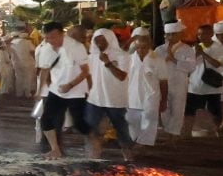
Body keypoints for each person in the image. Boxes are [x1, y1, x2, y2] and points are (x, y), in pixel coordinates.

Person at [37, 21, 92, 158]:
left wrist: (70, 85)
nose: (51, 40)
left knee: (79, 124)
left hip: (76, 91)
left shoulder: (76, 47)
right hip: (56, 90)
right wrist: (39, 89)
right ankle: (55, 149)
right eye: (48, 37)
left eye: (54, 37)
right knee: (46, 120)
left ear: (62, 34)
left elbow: (85, 71)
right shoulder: (46, 48)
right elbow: (44, 69)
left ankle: (94, 138)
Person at [84, 28, 134, 160]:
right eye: (97, 39)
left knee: (121, 129)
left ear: (110, 39)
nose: (99, 42)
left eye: (102, 39)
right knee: (90, 128)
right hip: (95, 99)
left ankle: (127, 155)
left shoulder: (123, 56)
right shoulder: (90, 57)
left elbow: (122, 76)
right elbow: (87, 76)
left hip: (115, 100)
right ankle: (94, 154)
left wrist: (108, 63)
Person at [183, 23, 223, 137]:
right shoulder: (194, 48)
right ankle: (188, 131)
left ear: (211, 34)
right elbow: (188, 67)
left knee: (215, 110)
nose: (201, 37)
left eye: (204, 34)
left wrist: (203, 54)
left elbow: (217, 64)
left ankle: (216, 130)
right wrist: (195, 55)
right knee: (190, 110)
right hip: (195, 85)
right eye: (199, 34)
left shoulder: (220, 48)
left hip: (212, 85)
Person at [126, 27, 164, 147]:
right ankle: (133, 141)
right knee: (131, 121)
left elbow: (164, 82)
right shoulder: (129, 60)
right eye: (138, 47)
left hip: (151, 95)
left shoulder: (158, 60)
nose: (141, 50)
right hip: (132, 96)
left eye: (144, 47)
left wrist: (163, 100)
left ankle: (143, 144)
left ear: (149, 45)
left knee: (149, 120)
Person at [157, 21, 195, 136]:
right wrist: (165, 60)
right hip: (163, 84)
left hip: (179, 84)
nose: (170, 37)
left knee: (178, 109)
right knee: (164, 109)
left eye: (173, 34)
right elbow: (153, 66)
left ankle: (174, 134)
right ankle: (168, 132)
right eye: (168, 34)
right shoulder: (159, 50)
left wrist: (173, 59)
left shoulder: (187, 49)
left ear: (180, 35)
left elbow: (191, 67)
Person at [9, 30, 38, 98]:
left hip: (16, 64)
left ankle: (19, 93)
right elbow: (32, 51)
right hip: (27, 63)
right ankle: (27, 93)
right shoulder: (27, 42)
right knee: (28, 78)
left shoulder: (11, 43)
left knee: (18, 78)